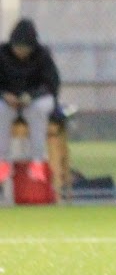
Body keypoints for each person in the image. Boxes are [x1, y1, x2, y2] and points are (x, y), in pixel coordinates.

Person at [0, 19, 61, 186]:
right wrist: (5, 95)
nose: (21, 52)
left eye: (24, 49)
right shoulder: (2, 54)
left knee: (40, 108)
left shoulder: (42, 55)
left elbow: (51, 84)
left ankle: (37, 161)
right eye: (17, 48)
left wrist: (31, 96)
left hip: (34, 102)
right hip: (7, 102)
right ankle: (2, 161)